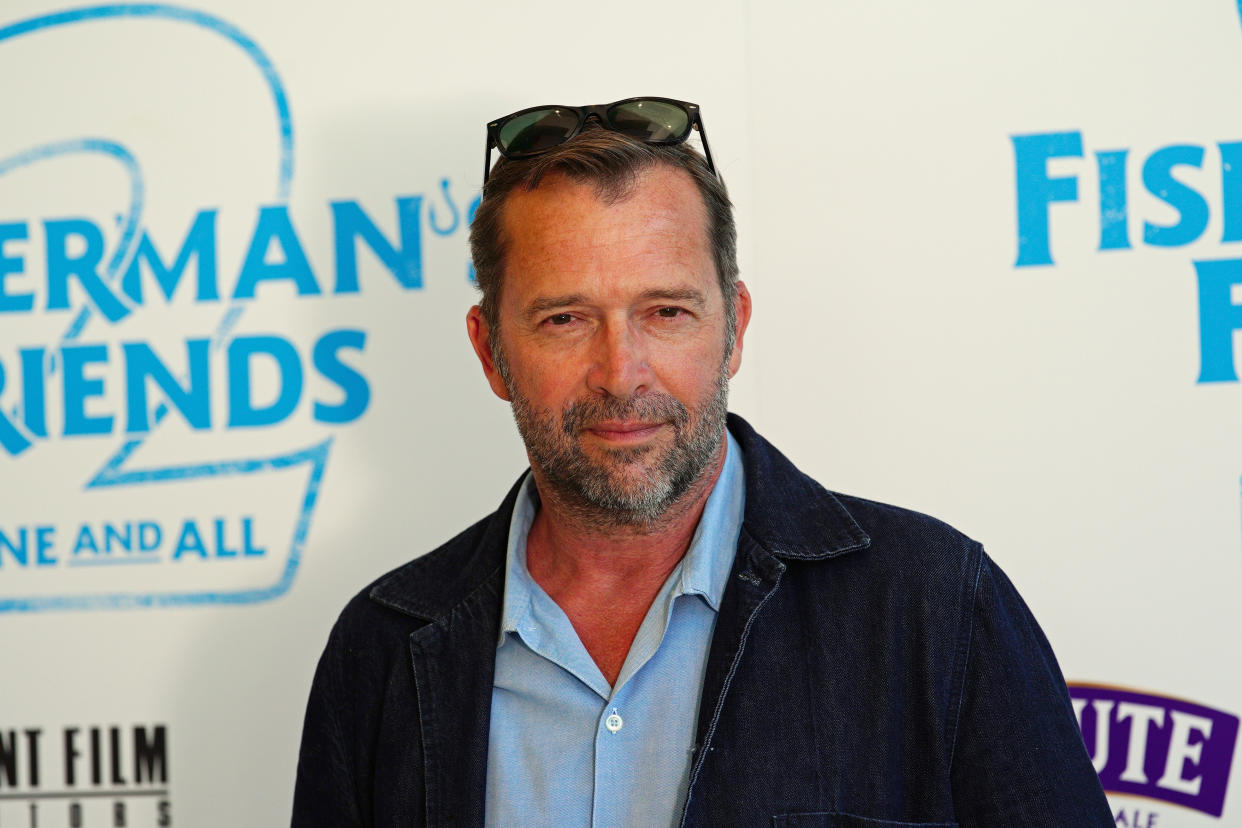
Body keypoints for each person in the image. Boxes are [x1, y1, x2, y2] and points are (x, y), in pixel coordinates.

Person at [292, 97, 1113, 826]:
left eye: (667, 310)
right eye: (566, 319)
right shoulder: (382, 652)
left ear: (735, 327)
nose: (622, 371)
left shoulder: (935, 609)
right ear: (489, 351)